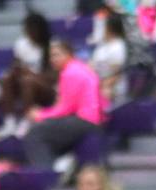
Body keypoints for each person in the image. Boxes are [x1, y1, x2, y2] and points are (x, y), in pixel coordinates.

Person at [24, 39, 103, 168]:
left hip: (85, 120)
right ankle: (61, 165)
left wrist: (40, 115)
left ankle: (46, 175)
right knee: (47, 130)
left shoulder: (70, 73)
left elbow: (65, 109)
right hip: (90, 119)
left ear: (69, 54)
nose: (52, 59)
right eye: (51, 56)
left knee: (35, 133)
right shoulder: (80, 67)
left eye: (56, 55)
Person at [0, 12, 57, 138]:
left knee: (27, 80)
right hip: (25, 84)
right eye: (26, 29)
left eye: (32, 29)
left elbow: (53, 77)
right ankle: (10, 122)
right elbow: (16, 65)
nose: (29, 32)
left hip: (47, 88)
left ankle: (28, 120)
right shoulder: (21, 44)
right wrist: (15, 70)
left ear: (40, 30)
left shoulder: (51, 45)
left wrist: (31, 74)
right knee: (6, 78)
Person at [91, 12, 128, 105]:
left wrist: (99, 87)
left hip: (111, 87)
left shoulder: (118, 46)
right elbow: (91, 64)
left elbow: (116, 75)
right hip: (98, 82)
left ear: (110, 28)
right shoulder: (103, 45)